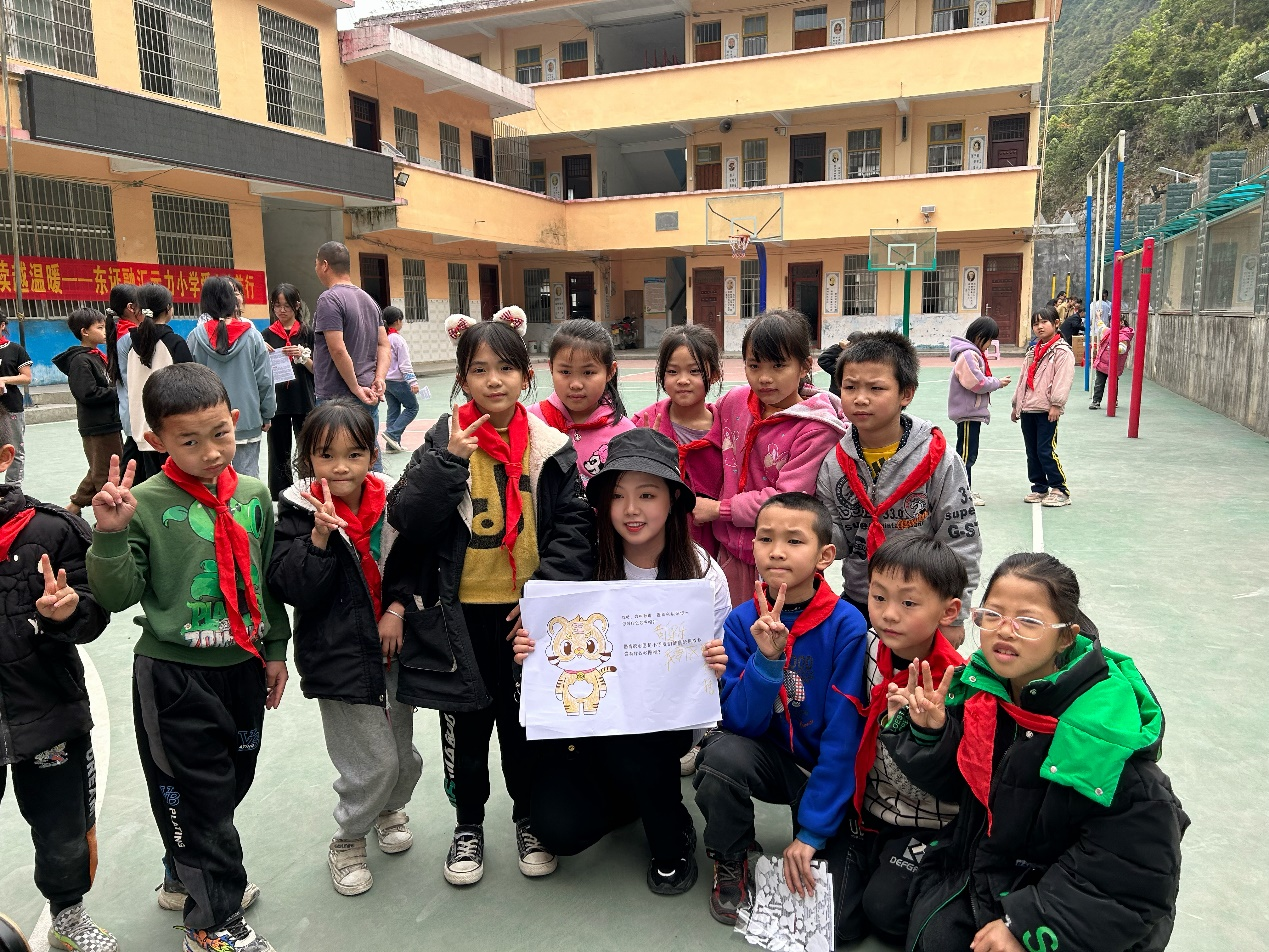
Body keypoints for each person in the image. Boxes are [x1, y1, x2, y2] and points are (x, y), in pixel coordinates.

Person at [882, 552, 1188, 952]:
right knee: (888, 911)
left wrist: (1028, 923)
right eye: (993, 615)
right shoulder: (985, 693)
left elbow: (1131, 877)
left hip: (1065, 902)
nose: (1004, 631)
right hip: (990, 865)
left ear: (1066, 636)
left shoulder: (1100, 735)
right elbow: (962, 788)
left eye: (1028, 621)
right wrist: (930, 733)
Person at [86, 363, 291, 952]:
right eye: (189, 441)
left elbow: (265, 582)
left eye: (220, 434)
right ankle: (212, 921)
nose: (211, 452)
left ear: (236, 421)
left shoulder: (254, 495)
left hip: (242, 667)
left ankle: (183, 873)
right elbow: (118, 595)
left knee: (230, 784)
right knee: (201, 800)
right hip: (175, 676)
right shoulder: (144, 504)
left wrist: (275, 650)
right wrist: (110, 533)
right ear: (156, 441)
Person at [386, 311, 594, 887]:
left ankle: (528, 819)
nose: (494, 380)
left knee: (523, 726)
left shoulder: (550, 447)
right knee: (467, 726)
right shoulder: (442, 440)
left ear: (526, 376)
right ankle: (468, 825)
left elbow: (575, 529)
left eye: (506, 367)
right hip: (457, 617)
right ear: (463, 379)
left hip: (524, 618)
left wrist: (543, 593)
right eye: (479, 370)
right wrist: (448, 462)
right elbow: (408, 520)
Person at [513, 428, 730, 895]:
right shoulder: (581, 564)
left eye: (647, 495)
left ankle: (669, 835)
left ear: (673, 500)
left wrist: (716, 663)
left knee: (639, 748)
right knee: (558, 830)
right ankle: (636, 796)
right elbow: (554, 646)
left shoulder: (702, 575)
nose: (631, 509)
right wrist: (530, 652)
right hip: (588, 720)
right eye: (618, 496)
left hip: (660, 726)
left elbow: (707, 677)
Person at [693, 492, 867, 935]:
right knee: (720, 757)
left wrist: (812, 832)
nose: (776, 551)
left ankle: (820, 822)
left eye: (794, 540)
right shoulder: (741, 622)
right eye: (765, 538)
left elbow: (844, 735)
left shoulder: (846, 624)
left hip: (824, 770)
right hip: (769, 761)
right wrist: (767, 661)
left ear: (825, 555)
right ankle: (732, 854)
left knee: (839, 924)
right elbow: (740, 723)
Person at [268, 401, 419, 897]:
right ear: (307, 458)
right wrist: (317, 539)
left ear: (372, 455)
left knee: (403, 757)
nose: (340, 467)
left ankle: (389, 809)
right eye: (326, 455)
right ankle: (349, 837)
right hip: (339, 659)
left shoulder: (392, 502)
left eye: (354, 454)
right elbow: (293, 588)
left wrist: (397, 608)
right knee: (373, 763)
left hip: (394, 650)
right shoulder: (297, 513)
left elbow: (414, 564)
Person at [0, 438, 116, 952]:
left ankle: (68, 915)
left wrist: (67, 612)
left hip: (49, 713)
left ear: (5, 456)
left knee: (64, 828)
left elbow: (93, 613)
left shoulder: (52, 530)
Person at [837, 536, 966, 944]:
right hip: (864, 811)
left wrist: (924, 734)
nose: (889, 614)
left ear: (949, 611)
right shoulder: (866, 648)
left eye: (909, 603)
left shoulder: (958, 686)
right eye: (878, 597)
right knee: (838, 923)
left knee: (886, 912)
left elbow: (952, 783)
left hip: (924, 822)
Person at [816, 332, 978, 646]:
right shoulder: (835, 463)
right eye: (850, 387)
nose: (860, 398)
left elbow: (961, 540)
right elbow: (838, 537)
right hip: (860, 601)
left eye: (876, 388)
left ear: (906, 394)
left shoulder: (938, 460)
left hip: (919, 605)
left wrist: (955, 616)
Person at [697, 310, 847, 607]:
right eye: (754, 365)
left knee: (783, 633)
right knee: (730, 633)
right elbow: (702, 435)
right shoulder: (734, 402)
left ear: (804, 366)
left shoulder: (816, 428)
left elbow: (786, 500)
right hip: (729, 554)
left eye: (778, 365)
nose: (764, 378)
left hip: (784, 564)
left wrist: (718, 509)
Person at [630, 324, 725, 554]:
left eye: (694, 371)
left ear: (714, 374)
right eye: (672, 371)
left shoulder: (729, 431)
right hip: (655, 550)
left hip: (713, 552)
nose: (683, 380)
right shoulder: (642, 424)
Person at [527, 317, 635, 485]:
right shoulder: (530, 420)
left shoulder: (626, 434)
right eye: (565, 372)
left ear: (610, 371)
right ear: (551, 368)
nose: (576, 384)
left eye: (588, 372)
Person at [187, 276, 276, 480]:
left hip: (208, 424)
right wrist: (267, 414)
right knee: (248, 479)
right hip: (247, 420)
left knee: (213, 478)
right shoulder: (252, 336)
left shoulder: (195, 338)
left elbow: (190, 384)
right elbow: (265, 380)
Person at [312, 241, 390, 472]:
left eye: (316, 263)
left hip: (337, 397)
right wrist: (379, 378)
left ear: (324, 265)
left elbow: (337, 349)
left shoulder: (329, 299)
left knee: (337, 460)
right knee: (367, 453)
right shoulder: (369, 300)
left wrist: (355, 388)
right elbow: (384, 344)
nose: (316, 268)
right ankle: (381, 494)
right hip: (369, 393)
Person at [118, 283, 194, 485]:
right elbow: (191, 387)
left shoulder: (132, 346)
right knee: (176, 486)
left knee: (154, 485)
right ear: (168, 308)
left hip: (142, 430)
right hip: (171, 430)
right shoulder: (174, 343)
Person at [53, 309, 123, 517]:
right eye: (100, 327)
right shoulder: (80, 361)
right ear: (85, 332)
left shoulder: (96, 356)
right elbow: (87, 393)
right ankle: (108, 517)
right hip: (97, 423)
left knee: (101, 466)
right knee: (106, 472)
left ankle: (74, 507)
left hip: (109, 421)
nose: (105, 331)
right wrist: (119, 392)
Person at [1011, 306, 1074, 508]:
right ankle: (1039, 487)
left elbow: (1063, 379)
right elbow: (1023, 379)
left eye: (1044, 322)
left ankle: (1060, 489)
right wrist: (1016, 404)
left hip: (1046, 409)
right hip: (1028, 407)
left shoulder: (1062, 352)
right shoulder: (1033, 351)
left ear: (1056, 323)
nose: (1039, 327)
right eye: (1035, 323)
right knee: (1032, 451)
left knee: (1045, 450)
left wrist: (1056, 404)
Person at [947, 317, 1011, 507]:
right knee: (966, 456)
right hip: (967, 413)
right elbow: (976, 382)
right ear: (980, 336)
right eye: (989, 339)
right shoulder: (968, 355)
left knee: (968, 454)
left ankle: (964, 489)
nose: (990, 344)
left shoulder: (972, 354)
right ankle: (962, 493)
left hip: (971, 412)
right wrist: (997, 383)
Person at [261, 283, 315, 499]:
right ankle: (281, 494)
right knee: (278, 450)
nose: (282, 310)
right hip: (277, 401)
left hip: (303, 398)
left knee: (307, 448)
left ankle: (308, 491)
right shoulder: (265, 335)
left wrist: (302, 357)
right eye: (277, 305)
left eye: (287, 306)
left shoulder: (307, 333)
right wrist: (261, 352)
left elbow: (318, 370)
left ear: (297, 305)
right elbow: (259, 371)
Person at [381, 305, 419, 453]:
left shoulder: (383, 338)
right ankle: (392, 434)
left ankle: (392, 445)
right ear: (397, 321)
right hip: (398, 381)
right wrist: (412, 381)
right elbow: (404, 364)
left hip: (386, 381)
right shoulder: (398, 340)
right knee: (412, 407)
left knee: (393, 411)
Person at [0, 316, 32, 488]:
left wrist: (4, 380)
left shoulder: (14, 349)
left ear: (2, 325)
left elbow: (26, 377)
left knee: (14, 449)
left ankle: (12, 489)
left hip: (10, 407)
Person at [1089, 317, 1134, 411]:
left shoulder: (1124, 335)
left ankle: (1113, 400)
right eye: (1111, 322)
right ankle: (1096, 401)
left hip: (1113, 365)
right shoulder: (1109, 331)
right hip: (1102, 363)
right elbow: (1101, 326)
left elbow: (1123, 349)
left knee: (1113, 384)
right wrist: (1098, 317)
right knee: (1099, 383)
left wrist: (1114, 347)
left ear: (1121, 322)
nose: (1111, 324)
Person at [816, 330, 865, 399]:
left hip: (856, 393)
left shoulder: (865, 356)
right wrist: (839, 348)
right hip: (838, 393)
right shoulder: (840, 353)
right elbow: (822, 360)